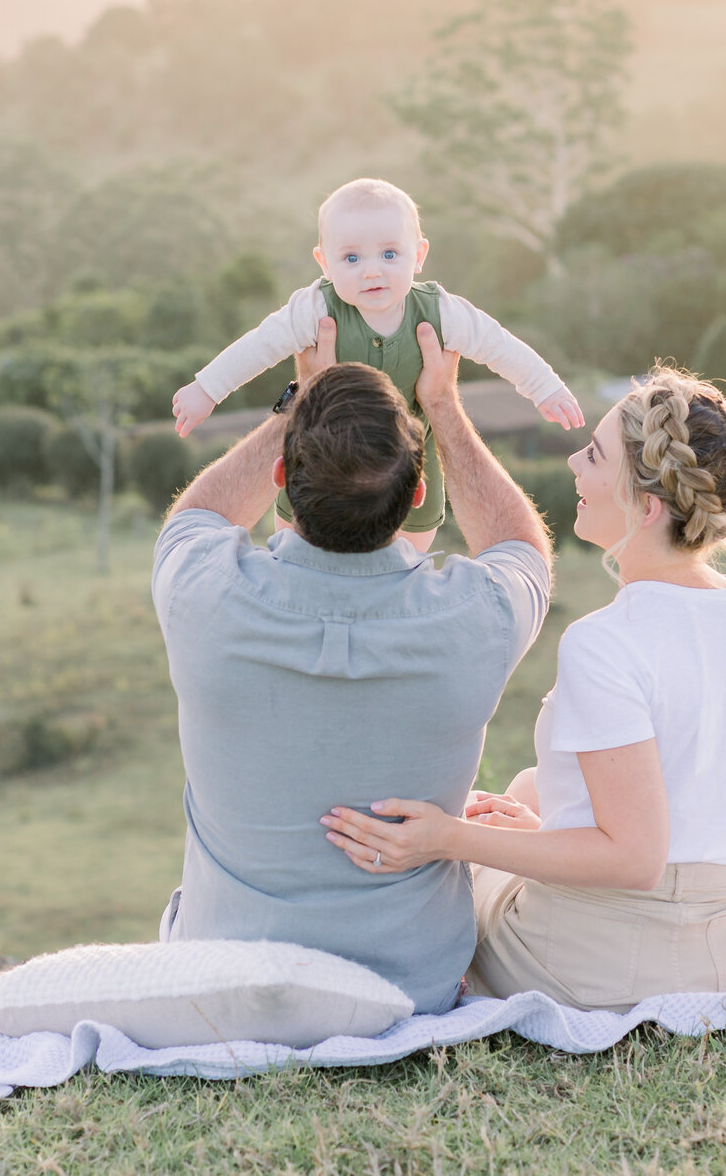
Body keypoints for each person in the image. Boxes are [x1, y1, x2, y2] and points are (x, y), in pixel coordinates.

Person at [322, 367, 726, 1013]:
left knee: (465, 868)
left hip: (603, 967)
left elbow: (635, 859)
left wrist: (443, 837)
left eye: (595, 455)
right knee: (524, 791)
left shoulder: (606, 641)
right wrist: (550, 831)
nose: (575, 461)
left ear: (647, 506)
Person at [151, 319, 552, 1013]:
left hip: (220, 976)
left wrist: (299, 400)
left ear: (282, 475)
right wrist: (446, 408)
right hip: (410, 988)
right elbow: (523, 546)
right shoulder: (473, 617)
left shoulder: (203, 594)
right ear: (418, 490)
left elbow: (196, 518)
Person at [171, 177, 583, 551]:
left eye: (389, 254)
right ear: (324, 263)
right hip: (319, 457)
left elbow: (499, 346)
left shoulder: (440, 312)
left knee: (409, 551)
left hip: (410, 461)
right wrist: (207, 389)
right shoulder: (316, 307)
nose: (372, 271)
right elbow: (259, 345)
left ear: (418, 254)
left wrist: (544, 388)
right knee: (292, 540)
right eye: (351, 259)